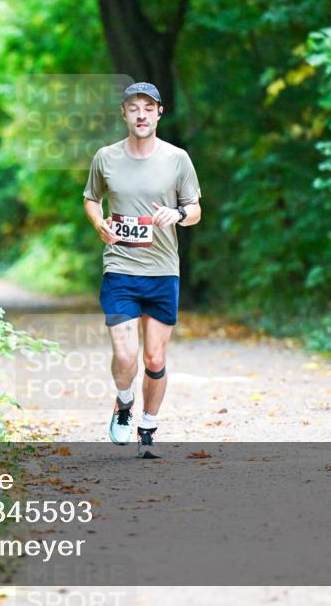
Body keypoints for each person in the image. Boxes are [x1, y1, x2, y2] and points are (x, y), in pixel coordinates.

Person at [82, 82, 201, 458]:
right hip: (120, 268)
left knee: (154, 358)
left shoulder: (177, 158)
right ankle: (124, 402)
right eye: (134, 108)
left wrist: (178, 213)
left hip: (164, 270)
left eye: (148, 108)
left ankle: (147, 426)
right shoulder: (106, 157)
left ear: (159, 113)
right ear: (124, 114)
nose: (141, 114)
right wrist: (98, 223)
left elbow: (195, 210)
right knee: (125, 353)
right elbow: (90, 198)